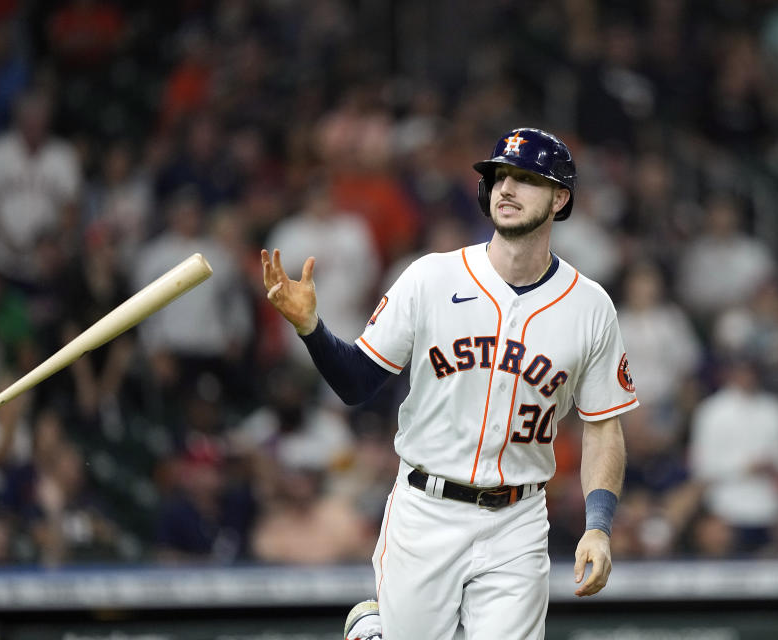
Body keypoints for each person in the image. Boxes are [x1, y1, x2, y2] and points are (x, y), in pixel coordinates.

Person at [262, 128, 637, 640]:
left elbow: (602, 428)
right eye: (500, 176)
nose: (506, 188)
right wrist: (311, 329)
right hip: (427, 508)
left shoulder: (590, 306)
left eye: (526, 179)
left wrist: (598, 525)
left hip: (518, 518)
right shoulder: (431, 278)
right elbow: (357, 383)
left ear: (560, 197)